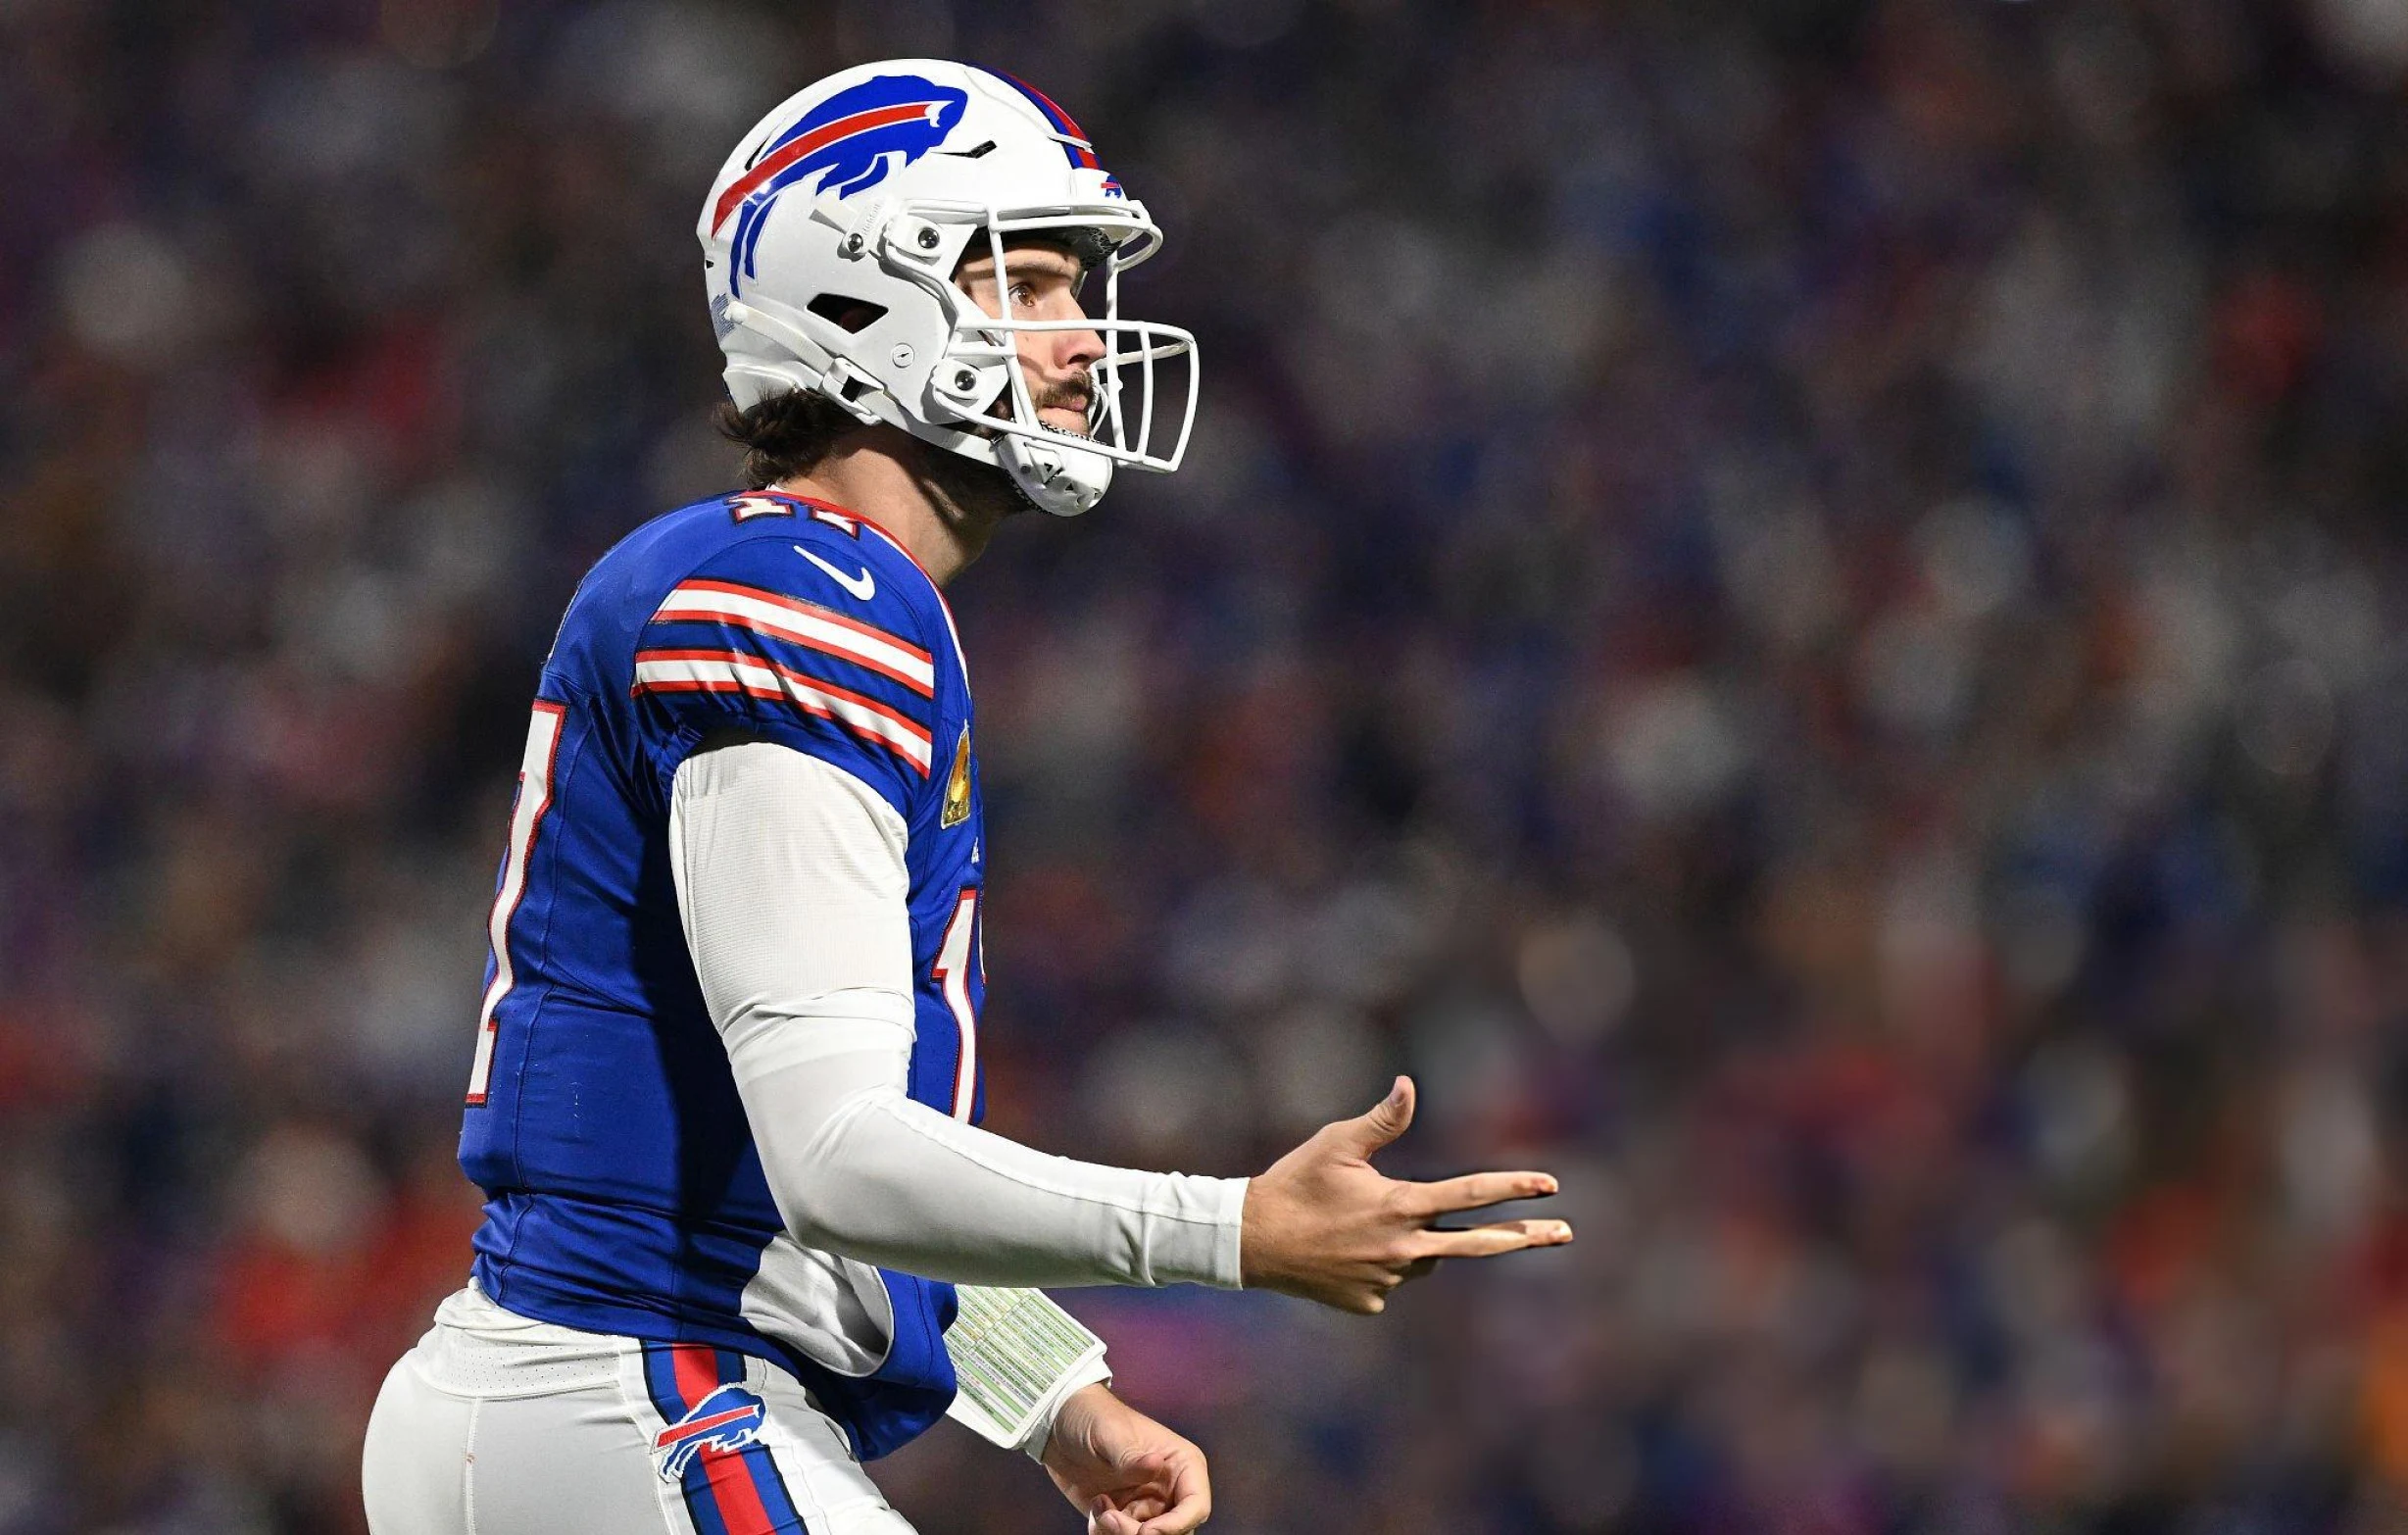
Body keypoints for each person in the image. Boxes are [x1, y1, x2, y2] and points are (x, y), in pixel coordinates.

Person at [360, 59, 1572, 1535]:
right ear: (863, 295)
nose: (1080, 339)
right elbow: (839, 1159)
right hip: (639, 1401)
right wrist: (1235, 1230)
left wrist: (1050, 1391)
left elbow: (756, 1145)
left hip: (585, 1402)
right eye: (1035, 281)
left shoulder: (792, 581)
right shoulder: (805, 597)